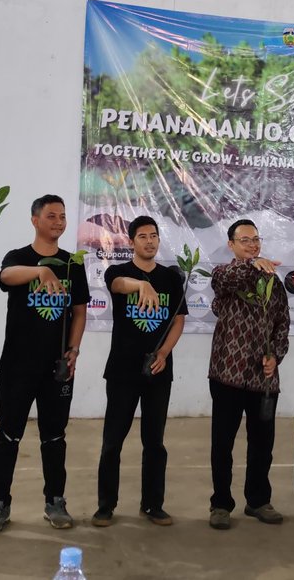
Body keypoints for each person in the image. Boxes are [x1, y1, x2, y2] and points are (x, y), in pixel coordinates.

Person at [0, 195, 89, 534]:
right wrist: (41, 269)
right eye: (51, 215)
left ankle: (55, 501)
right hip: (17, 365)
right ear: (35, 220)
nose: (58, 221)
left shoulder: (73, 264)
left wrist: (73, 350)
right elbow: (6, 275)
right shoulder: (20, 258)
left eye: (63, 216)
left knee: (54, 437)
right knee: (8, 435)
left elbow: (80, 311)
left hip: (56, 368)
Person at [93, 216, 187, 527]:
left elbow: (178, 321)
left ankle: (153, 505)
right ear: (132, 241)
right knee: (113, 442)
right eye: (143, 236)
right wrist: (142, 284)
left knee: (154, 443)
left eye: (154, 236)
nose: (149, 241)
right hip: (122, 370)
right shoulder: (119, 271)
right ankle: (106, 506)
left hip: (158, 371)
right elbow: (118, 286)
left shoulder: (172, 279)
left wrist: (163, 353)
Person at [206, 219, 291, 530]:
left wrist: (276, 356)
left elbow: (283, 323)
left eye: (256, 239)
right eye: (245, 240)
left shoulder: (273, 282)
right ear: (231, 245)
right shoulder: (226, 276)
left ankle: (257, 501)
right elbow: (224, 281)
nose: (253, 244)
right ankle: (220, 504)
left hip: (263, 379)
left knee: (262, 444)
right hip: (227, 375)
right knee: (223, 443)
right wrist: (253, 264)